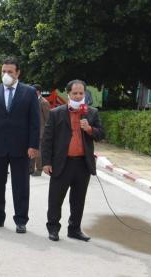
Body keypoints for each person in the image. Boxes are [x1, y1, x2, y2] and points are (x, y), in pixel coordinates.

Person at [0, 57, 40, 234]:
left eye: (10, 72)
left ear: (18, 73)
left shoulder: (29, 93)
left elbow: (35, 122)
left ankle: (21, 220)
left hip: (21, 148)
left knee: (21, 185)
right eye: (4, 71)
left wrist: (33, 145)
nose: (6, 74)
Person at [41, 79, 104, 242]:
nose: (78, 96)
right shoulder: (56, 113)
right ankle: (53, 228)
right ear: (68, 94)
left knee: (78, 200)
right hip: (62, 162)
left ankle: (74, 229)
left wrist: (89, 128)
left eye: (81, 93)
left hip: (83, 163)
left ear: (85, 94)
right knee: (55, 199)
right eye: (74, 93)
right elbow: (47, 139)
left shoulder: (91, 112)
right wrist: (46, 162)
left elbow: (101, 134)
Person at [30, 83, 52, 176]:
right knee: (31, 150)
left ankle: (39, 170)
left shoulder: (44, 102)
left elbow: (48, 118)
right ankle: (30, 169)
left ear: (38, 92)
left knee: (39, 152)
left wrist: (47, 132)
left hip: (41, 131)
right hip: (31, 130)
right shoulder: (31, 100)